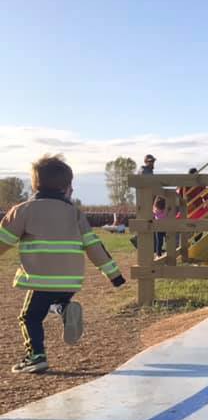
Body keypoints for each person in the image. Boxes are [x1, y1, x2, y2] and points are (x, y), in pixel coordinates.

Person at [0, 155, 125, 374]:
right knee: (53, 301)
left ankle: (35, 357)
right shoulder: (75, 213)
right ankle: (64, 308)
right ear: (67, 188)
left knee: (29, 317)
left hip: (40, 279)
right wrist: (114, 275)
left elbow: (3, 241)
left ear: (34, 184)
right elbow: (95, 246)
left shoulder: (23, 210)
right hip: (70, 280)